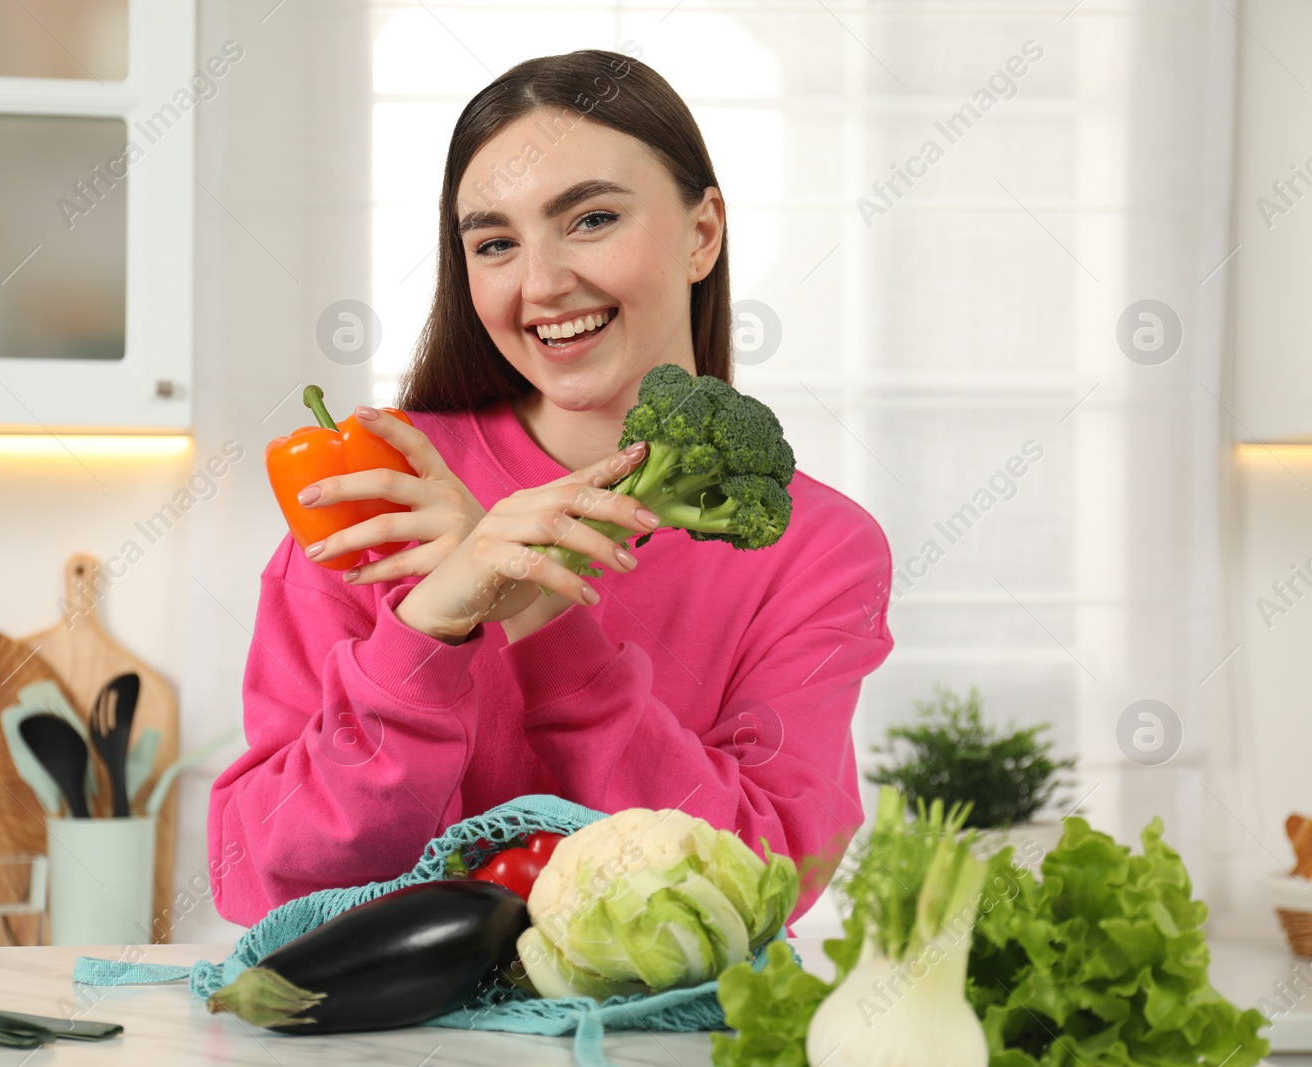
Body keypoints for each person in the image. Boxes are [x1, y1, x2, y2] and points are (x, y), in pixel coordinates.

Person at [208, 48, 894, 929]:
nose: (540, 283)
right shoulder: (377, 481)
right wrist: (427, 625)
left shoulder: (815, 546)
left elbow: (756, 882)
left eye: (591, 219)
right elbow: (258, 874)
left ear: (703, 233)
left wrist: (538, 610)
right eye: (495, 243)